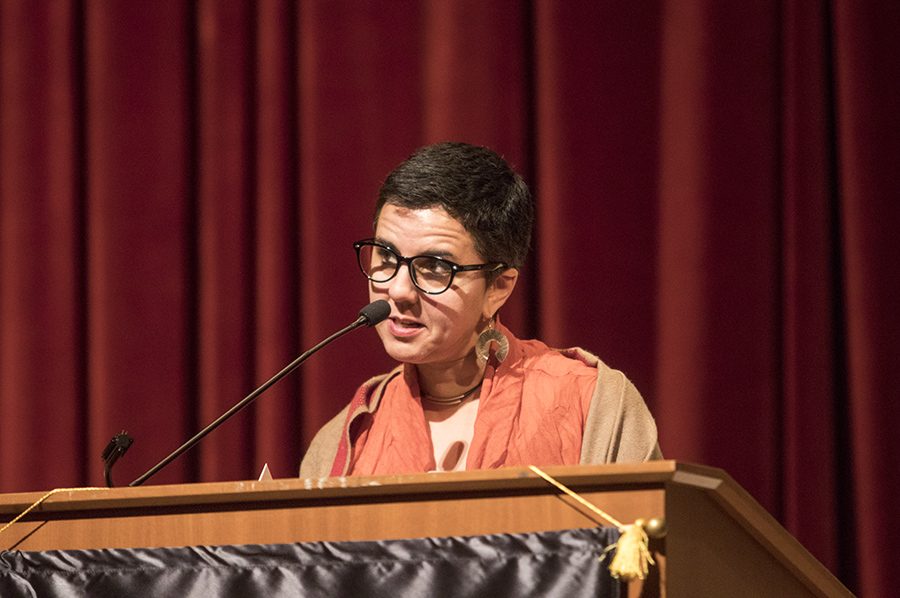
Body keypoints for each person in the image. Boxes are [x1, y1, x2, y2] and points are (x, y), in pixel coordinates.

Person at [300, 142, 660, 478]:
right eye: (387, 257)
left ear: (499, 287)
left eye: (435, 267)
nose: (398, 290)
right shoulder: (345, 440)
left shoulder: (592, 405)